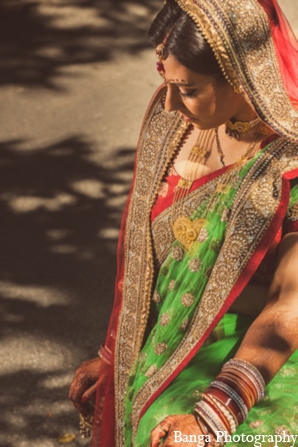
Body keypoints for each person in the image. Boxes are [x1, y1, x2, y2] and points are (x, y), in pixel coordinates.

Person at [68, 0, 298, 446]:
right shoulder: (171, 124)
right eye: (166, 81)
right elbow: (147, 268)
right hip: (170, 340)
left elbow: (289, 306)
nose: (171, 103)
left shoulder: (289, 164)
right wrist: (116, 357)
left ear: (239, 74)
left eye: (188, 89)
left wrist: (216, 413)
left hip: (264, 351)